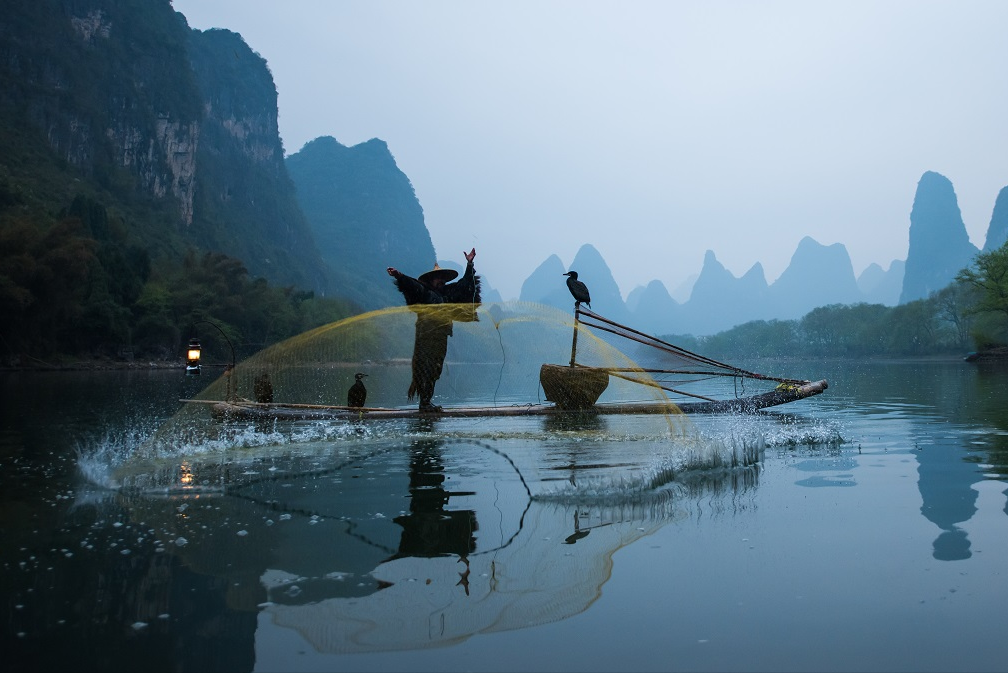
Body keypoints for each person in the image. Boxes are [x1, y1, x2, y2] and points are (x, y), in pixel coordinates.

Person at [386, 248, 481, 412]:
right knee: (425, 367)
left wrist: (469, 263)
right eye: (439, 279)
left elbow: (466, 284)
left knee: (436, 369)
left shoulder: (447, 294)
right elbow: (411, 285)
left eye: (443, 279)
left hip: (440, 336)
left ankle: (426, 401)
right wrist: (399, 276)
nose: (442, 281)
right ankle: (424, 403)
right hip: (426, 336)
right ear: (431, 280)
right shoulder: (424, 292)